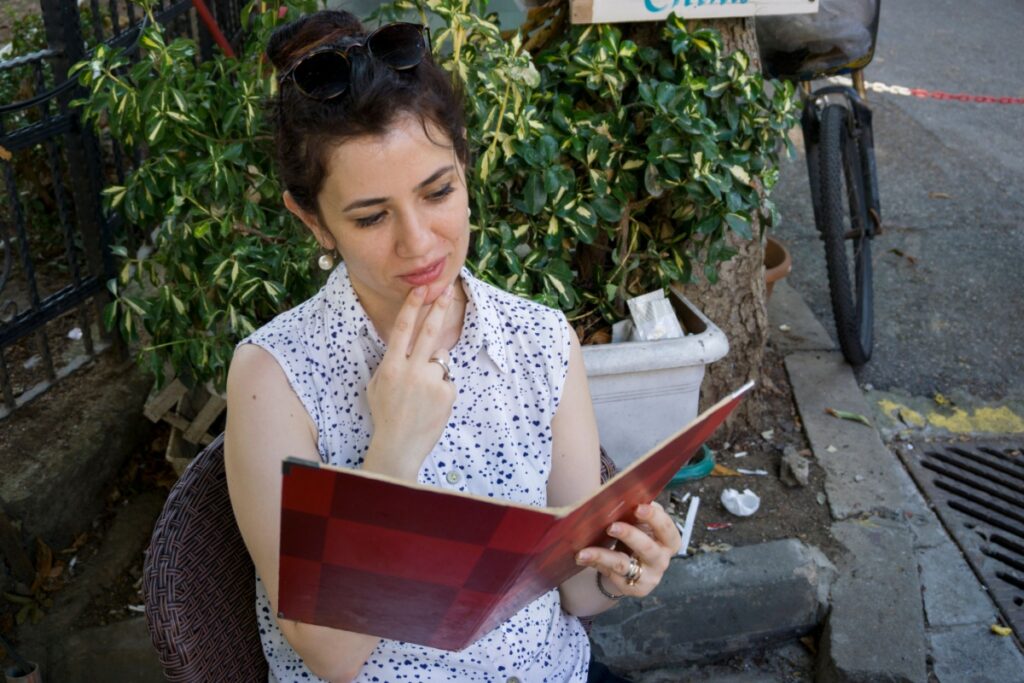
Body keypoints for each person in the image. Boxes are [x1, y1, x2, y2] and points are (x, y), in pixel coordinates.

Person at [224, 10, 682, 683]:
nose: (420, 242)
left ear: (466, 171)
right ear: (314, 221)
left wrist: (626, 566)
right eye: (372, 215)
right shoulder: (276, 376)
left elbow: (574, 592)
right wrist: (392, 455)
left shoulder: (537, 340)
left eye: (438, 191)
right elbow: (330, 655)